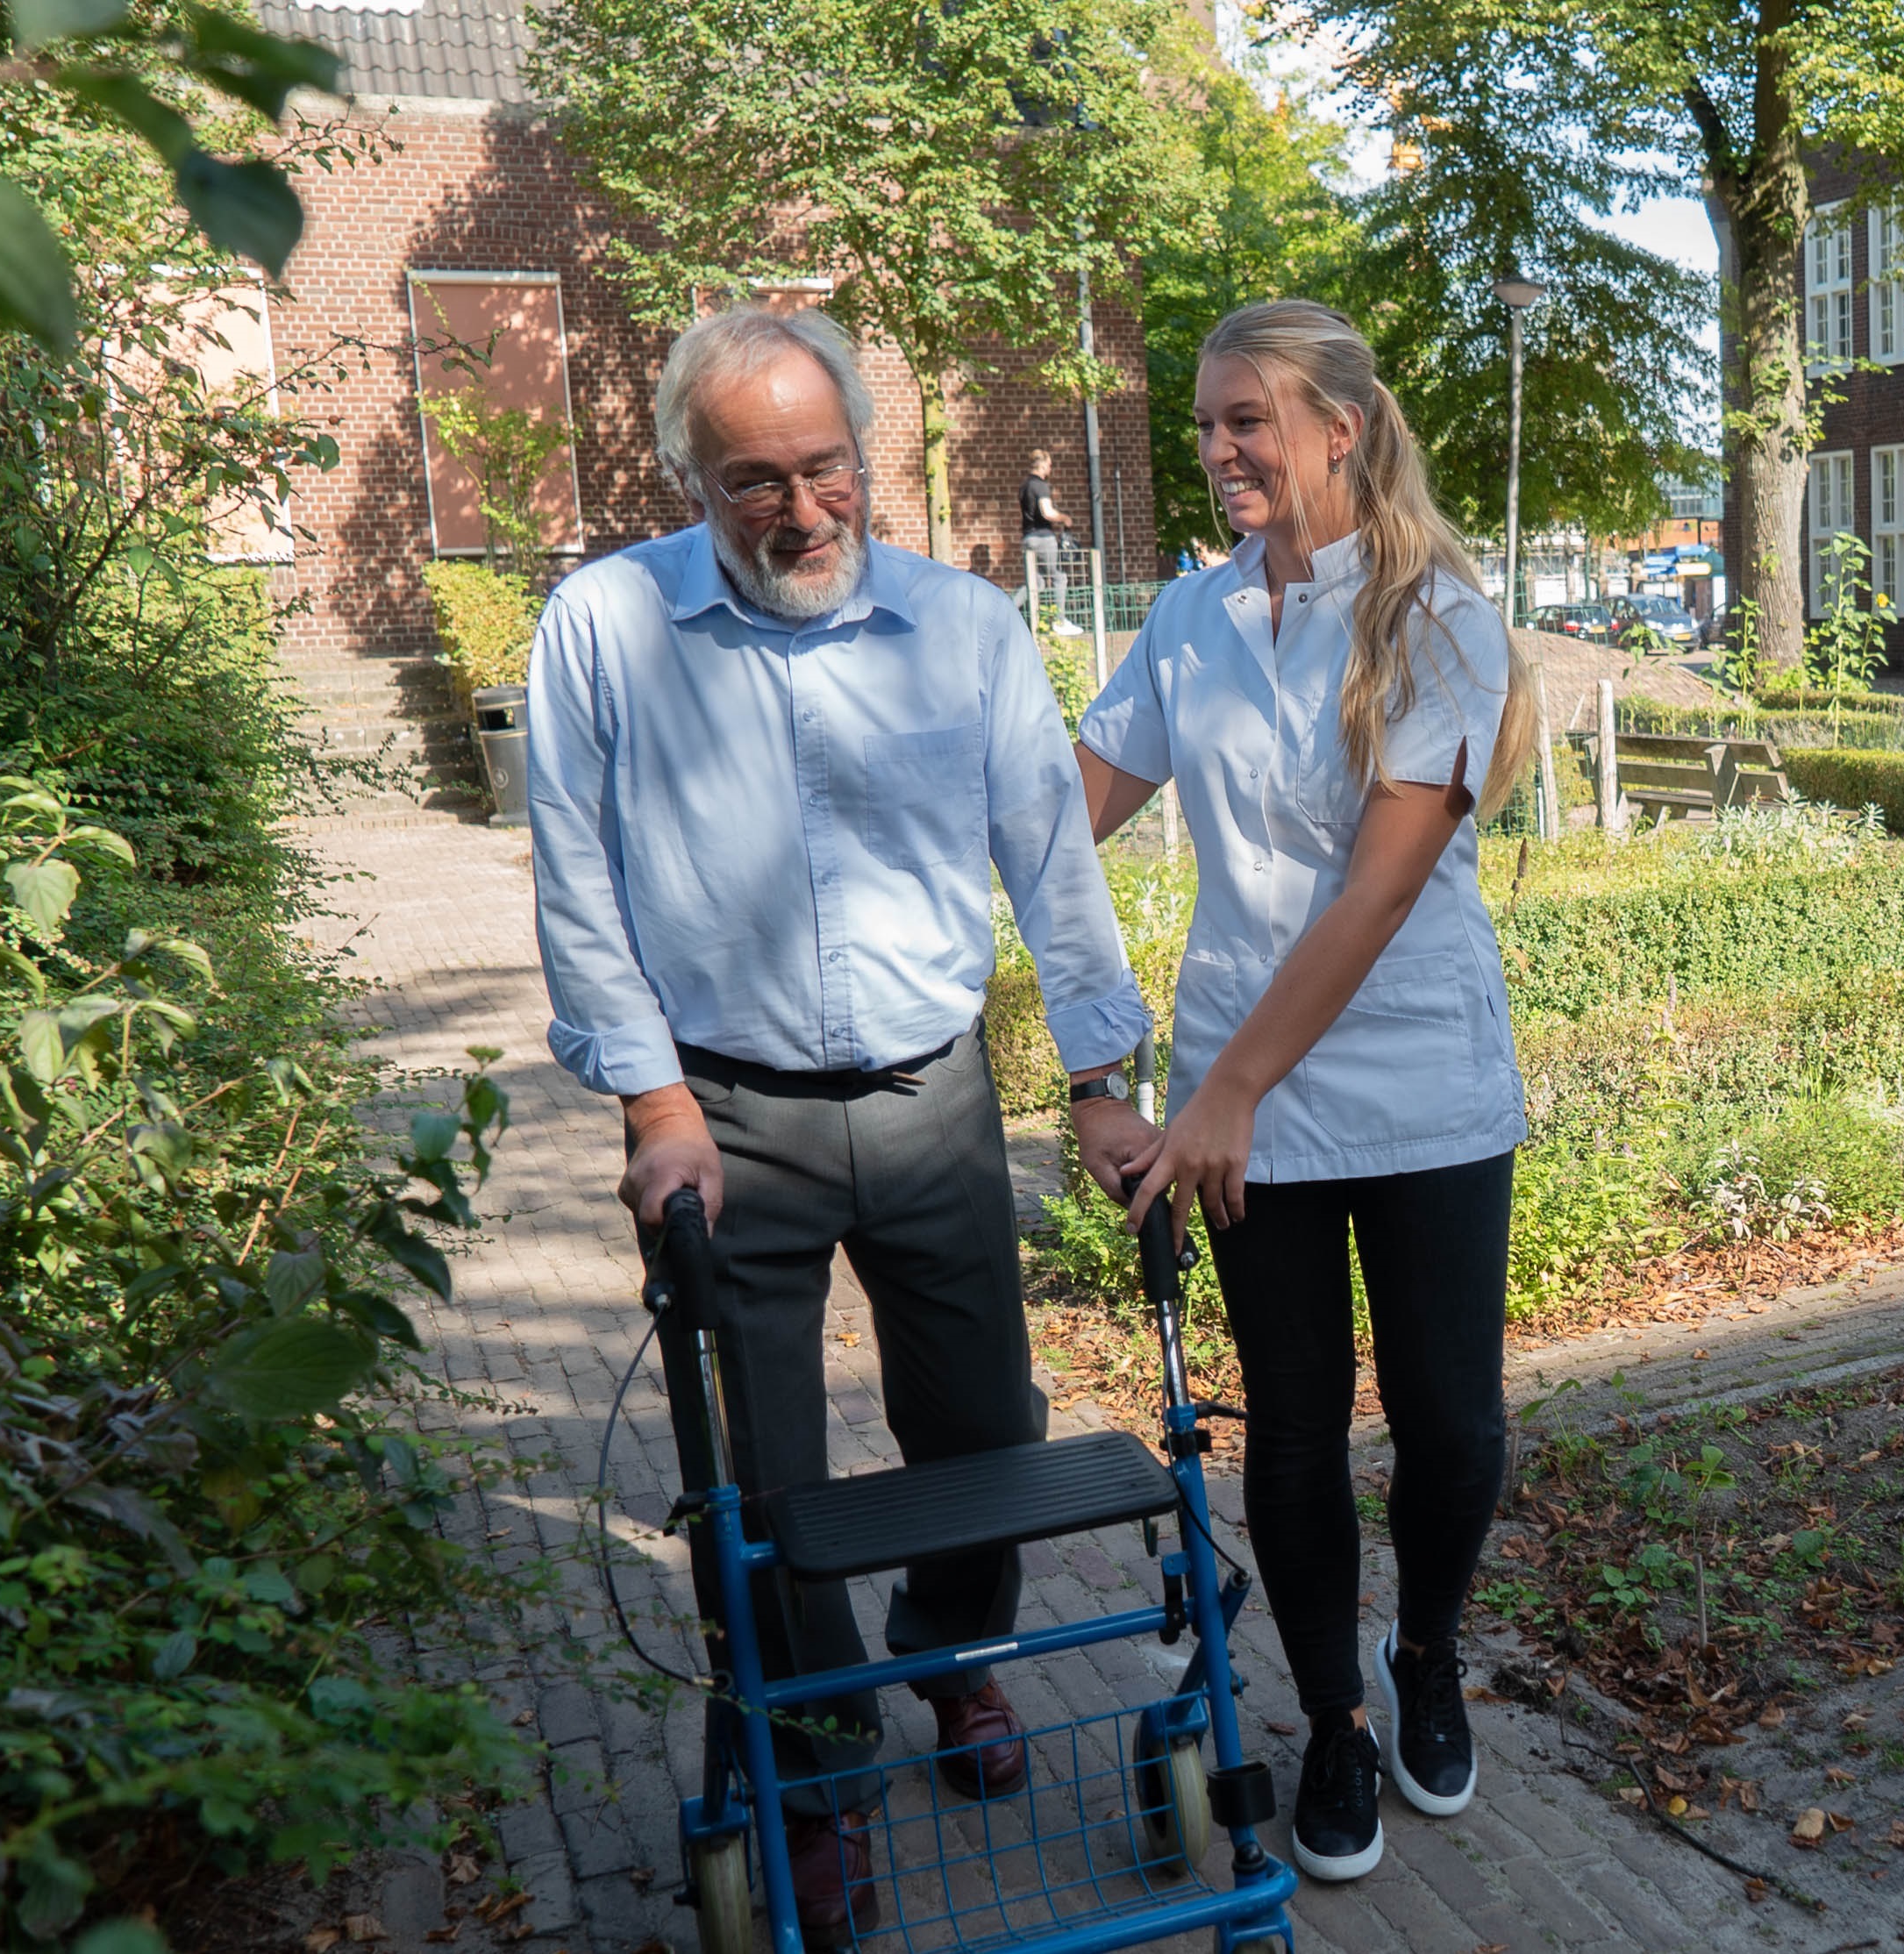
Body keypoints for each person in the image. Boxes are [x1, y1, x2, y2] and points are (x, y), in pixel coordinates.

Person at [526, 304, 1156, 1948]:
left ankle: (950, 1661)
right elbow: (576, 877)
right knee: (767, 1479)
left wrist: (1099, 1080)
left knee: (984, 1426)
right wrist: (652, 1100)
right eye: (755, 480)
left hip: (934, 1092)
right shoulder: (606, 626)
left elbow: (1051, 859)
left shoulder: (965, 629)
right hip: (726, 1116)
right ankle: (818, 1772)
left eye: (828, 467)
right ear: (686, 474)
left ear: (864, 454)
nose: (803, 508)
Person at [1074, 298, 1533, 1884]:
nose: (1216, 451)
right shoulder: (1189, 618)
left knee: (1452, 1423)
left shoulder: (1440, 619)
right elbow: (1066, 818)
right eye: (1204, 424)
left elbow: (1377, 893)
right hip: (1238, 1097)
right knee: (1293, 1430)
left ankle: (1427, 1654)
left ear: (1341, 425)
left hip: (1415, 1083)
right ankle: (1334, 1716)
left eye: (1247, 419)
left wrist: (1222, 1092)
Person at [1017, 446, 1082, 634]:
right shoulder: (1040, 485)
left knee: (1035, 583)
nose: (1051, 469)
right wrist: (1065, 518)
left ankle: (1009, 611)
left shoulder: (1025, 486)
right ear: (1043, 466)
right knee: (1059, 578)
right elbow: (1047, 512)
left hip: (1028, 538)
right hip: (1043, 538)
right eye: (1049, 465)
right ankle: (1060, 622)